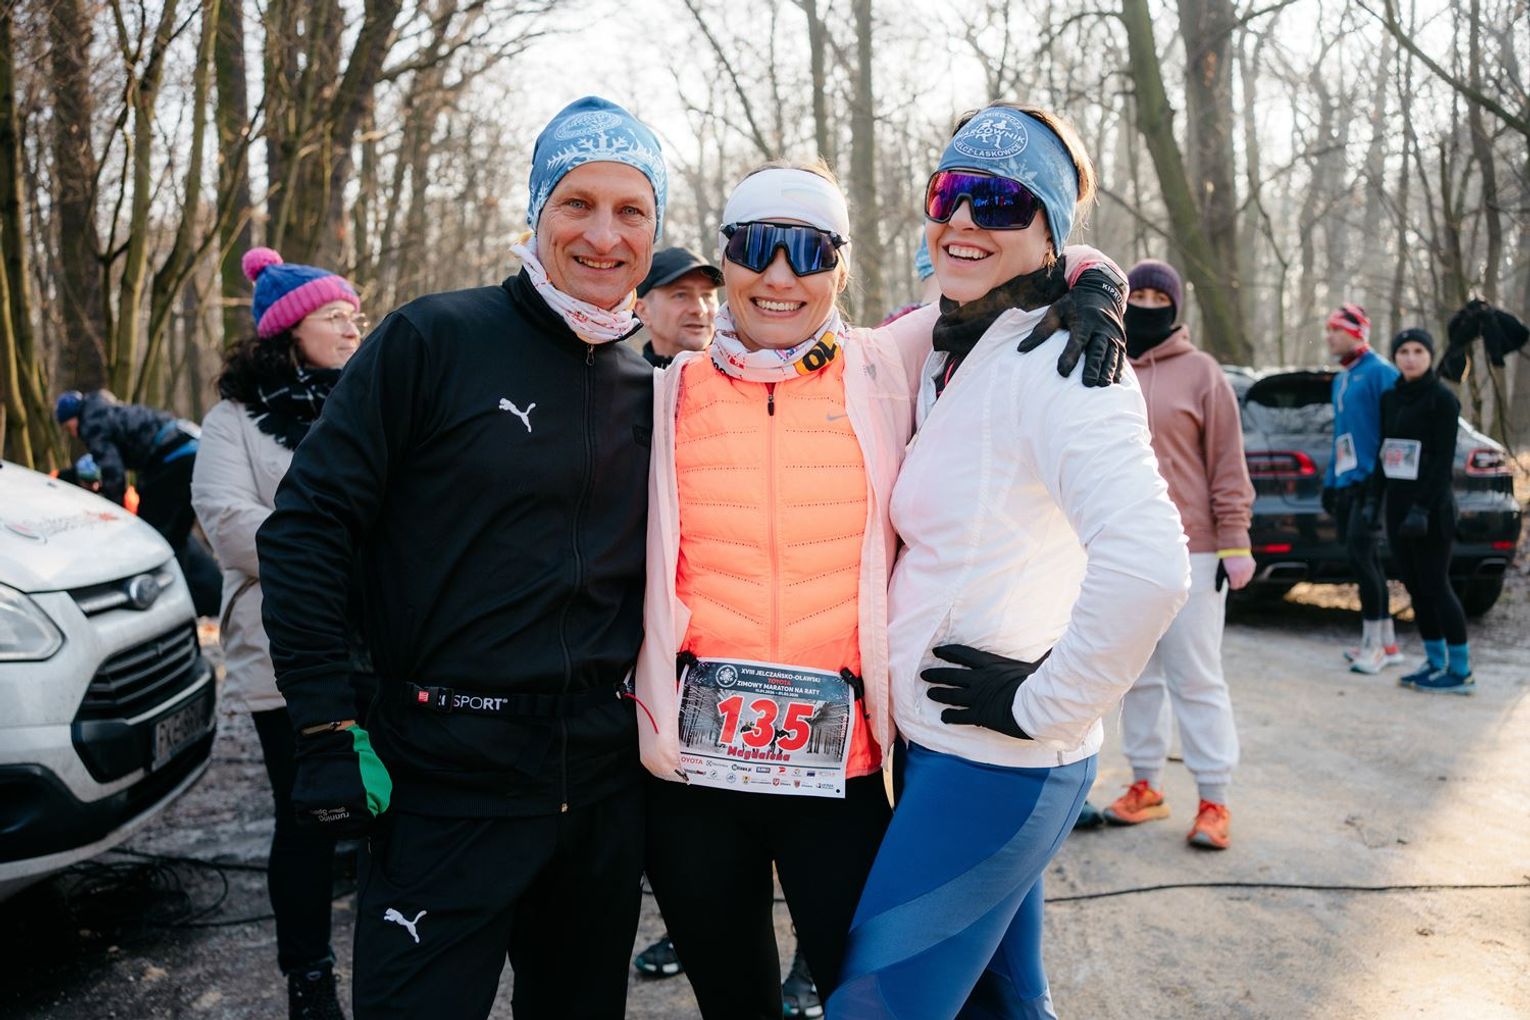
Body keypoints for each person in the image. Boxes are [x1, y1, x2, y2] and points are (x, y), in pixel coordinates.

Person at [634, 157, 1129, 1020]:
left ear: (841, 266)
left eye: (809, 251)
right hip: (698, 783)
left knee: (862, 994)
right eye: (755, 246)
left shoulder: (885, 362)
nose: (780, 276)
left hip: (840, 775)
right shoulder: (667, 390)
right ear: (726, 256)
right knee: (733, 1003)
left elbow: (1016, 267)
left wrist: (1100, 285)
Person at [256, 96, 665, 1020]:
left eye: (631, 210)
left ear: (655, 229)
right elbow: (307, 526)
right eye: (577, 203)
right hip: (444, 781)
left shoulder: (650, 387)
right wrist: (324, 723)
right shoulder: (433, 339)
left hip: (597, 792)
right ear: (537, 211)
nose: (603, 235)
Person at [828, 103, 1189, 1019]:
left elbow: (1149, 563)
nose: (962, 219)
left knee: (876, 1006)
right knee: (1006, 1007)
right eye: (949, 192)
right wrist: (1094, 272)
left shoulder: (1063, 362)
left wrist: (1044, 704)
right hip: (945, 747)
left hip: (996, 763)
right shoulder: (960, 340)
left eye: (998, 201)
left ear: (1048, 231)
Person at [190, 248, 366, 1020]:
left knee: (392, 807)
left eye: (357, 318)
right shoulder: (233, 421)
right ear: (289, 331)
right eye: (335, 318)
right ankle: (309, 978)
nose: (353, 331)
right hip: (284, 652)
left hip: (381, 646)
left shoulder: (369, 403)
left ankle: (397, 956)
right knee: (308, 818)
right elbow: (230, 526)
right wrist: (346, 552)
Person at [1097, 258, 1255, 850]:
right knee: (1136, 677)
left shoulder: (1203, 373)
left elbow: (1228, 463)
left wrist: (1236, 541)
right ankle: (1146, 786)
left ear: (1175, 307)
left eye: (1157, 299)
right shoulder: (1105, 361)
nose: (1145, 306)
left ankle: (1214, 798)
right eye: (1136, 296)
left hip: (1197, 550)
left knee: (1196, 678)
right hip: (1121, 550)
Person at [53, 387, 220, 616]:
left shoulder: (91, 423)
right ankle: (188, 600)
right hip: (195, 449)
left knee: (149, 536)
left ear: (73, 418)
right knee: (176, 538)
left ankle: (159, 606)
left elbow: (113, 472)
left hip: (171, 457)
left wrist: (116, 514)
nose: (72, 433)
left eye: (68, 427)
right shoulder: (107, 409)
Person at [1371, 328, 1474, 694]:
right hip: (1398, 509)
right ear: (1395, 357)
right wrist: (1373, 502)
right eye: (1404, 351)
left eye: (1418, 350)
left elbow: (1444, 462)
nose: (1411, 357)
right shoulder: (1390, 398)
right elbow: (1386, 452)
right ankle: (1434, 661)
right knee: (1415, 587)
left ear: (1430, 356)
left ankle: (1460, 671)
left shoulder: (1442, 400)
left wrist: (1422, 508)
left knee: (1436, 585)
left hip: (1432, 511)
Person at [1320, 304, 1402, 674]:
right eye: (1328, 330)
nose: (1329, 337)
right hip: (1347, 482)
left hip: (1374, 483)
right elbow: (1342, 436)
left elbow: (1395, 429)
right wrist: (1330, 482)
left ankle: (1375, 647)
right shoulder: (1341, 379)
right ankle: (1386, 642)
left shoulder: (1381, 372)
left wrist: (1381, 482)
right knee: (1362, 559)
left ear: (1357, 333)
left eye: (1336, 330)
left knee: (1364, 558)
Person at [633, 246, 722, 367]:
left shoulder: (743, 374)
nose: (700, 309)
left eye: (707, 295)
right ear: (643, 311)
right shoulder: (621, 378)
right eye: (681, 295)